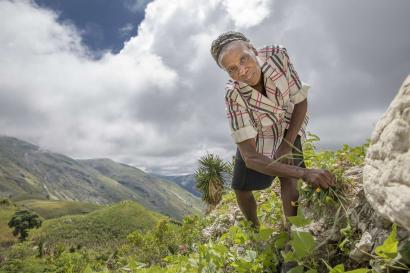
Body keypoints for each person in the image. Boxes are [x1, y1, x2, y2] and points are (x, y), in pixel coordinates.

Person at [210, 31, 335, 229]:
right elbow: (250, 157)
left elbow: (300, 102)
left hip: (288, 123)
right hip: (258, 134)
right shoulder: (233, 94)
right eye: (232, 69)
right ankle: (255, 228)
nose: (242, 71)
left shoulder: (278, 56)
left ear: (253, 49)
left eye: (244, 59)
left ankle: (291, 231)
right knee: (241, 188)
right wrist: (304, 173)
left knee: (289, 176)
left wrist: (287, 144)